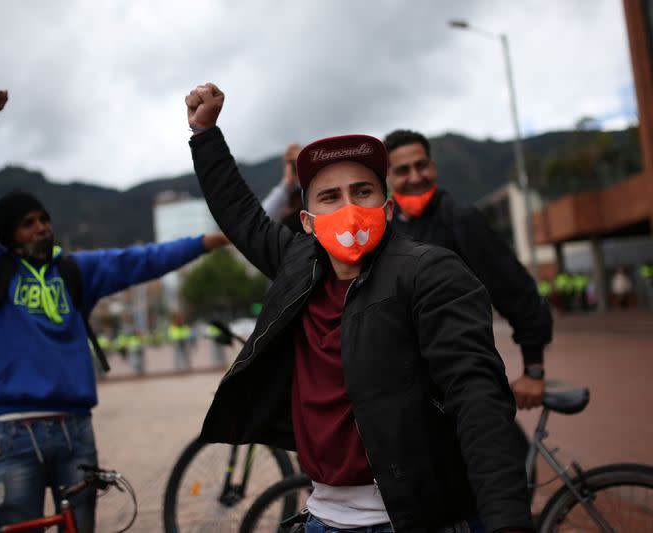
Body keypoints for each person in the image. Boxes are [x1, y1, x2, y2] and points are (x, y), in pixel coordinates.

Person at [185, 83, 532, 533]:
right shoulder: (298, 268)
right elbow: (242, 216)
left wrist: (508, 523)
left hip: (412, 521)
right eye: (330, 197)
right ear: (307, 222)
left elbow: (477, 398)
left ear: (387, 208)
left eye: (363, 191)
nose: (349, 209)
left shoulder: (430, 274)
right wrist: (205, 134)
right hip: (322, 519)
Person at [0, 90, 228, 532]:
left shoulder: (76, 271)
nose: (41, 226)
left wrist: (206, 241)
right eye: (28, 222)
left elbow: (141, 260)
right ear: (8, 235)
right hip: (13, 431)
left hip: (76, 430)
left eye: (43, 218)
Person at [383, 129, 553, 409]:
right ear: (389, 178)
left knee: (494, 451)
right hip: (414, 391)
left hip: (467, 380)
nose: (415, 177)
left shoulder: (462, 219)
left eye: (421, 165)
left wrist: (534, 370)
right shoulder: (388, 231)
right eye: (402, 170)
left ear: (433, 167)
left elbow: (516, 291)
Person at [261, 143, 305, 233]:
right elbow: (264, 218)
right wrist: (286, 184)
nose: (295, 167)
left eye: (298, 162)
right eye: (291, 163)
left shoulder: (311, 187)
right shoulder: (284, 191)